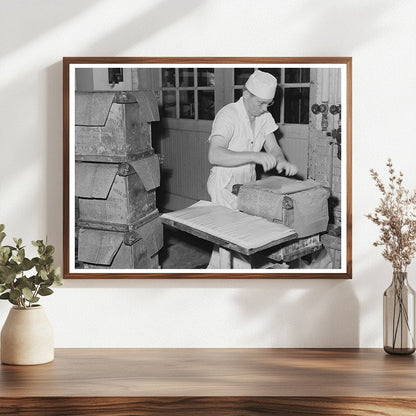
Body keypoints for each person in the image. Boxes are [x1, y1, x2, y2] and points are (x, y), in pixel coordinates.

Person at [206, 69, 298, 268]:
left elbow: (273, 147)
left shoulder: (263, 116)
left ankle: (216, 271)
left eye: (269, 103)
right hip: (225, 182)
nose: (265, 108)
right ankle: (233, 278)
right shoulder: (228, 115)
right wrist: (255, 156)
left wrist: (281, 160)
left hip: (247, 183)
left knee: (236, 237)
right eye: (261, 103)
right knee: (232, 238)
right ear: (246, 95)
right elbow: (215, 154)